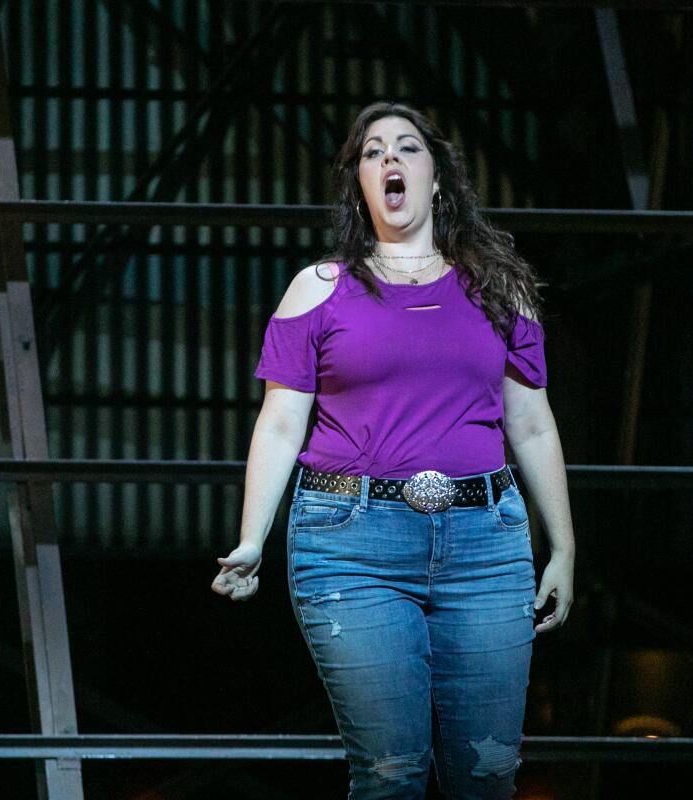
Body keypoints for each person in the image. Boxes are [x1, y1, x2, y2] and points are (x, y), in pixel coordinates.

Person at [211, 102, 575, 799]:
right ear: (359, 183)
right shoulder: (317, 290)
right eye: (373, 152)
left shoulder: (501, 289)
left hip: (486, 547)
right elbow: (281, 424)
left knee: (487, 777)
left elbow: (531, 424)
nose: (390, 160)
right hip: (352, 544)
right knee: (390, 775)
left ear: (438, 178)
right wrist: (252, 538)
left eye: (407, 148)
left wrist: (562, 546)